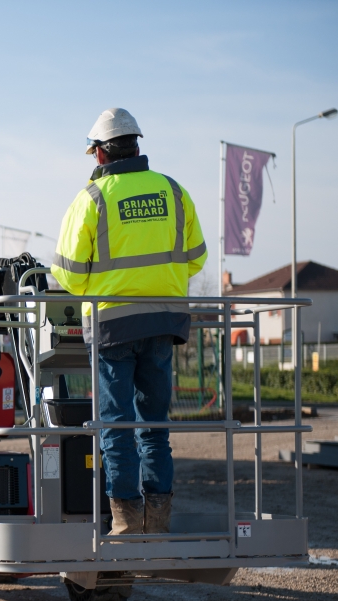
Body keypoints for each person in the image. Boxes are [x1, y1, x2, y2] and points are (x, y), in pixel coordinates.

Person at [50, 108, 207, 536]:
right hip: (164, 322)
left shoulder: (93, 198)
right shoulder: (173, 191)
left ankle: (125, 521)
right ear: (137, 146)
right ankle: (158, 521)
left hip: (112, 326)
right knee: (155, 424)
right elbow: (196, 258)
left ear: (99, 154)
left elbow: (66, 272)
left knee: (116, 424)